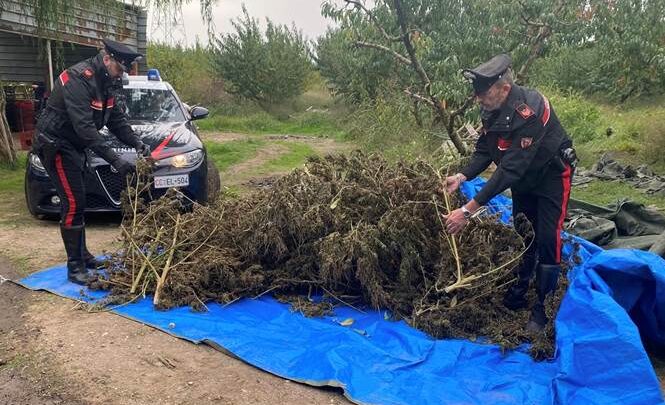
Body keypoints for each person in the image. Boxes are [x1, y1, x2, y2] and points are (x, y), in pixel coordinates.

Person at [442, 54, 576, 332]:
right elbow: (485, 150)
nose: (479, 100)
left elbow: (509, 169)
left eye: (485, 94)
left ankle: (543, 306)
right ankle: (520, 287)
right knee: (523, 231)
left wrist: (467, 210)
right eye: (478, 95)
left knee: (549, 237)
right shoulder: (491, 107)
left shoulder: (531, 111)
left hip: (551, 175)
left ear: (504, 89)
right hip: (524, 178)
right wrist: (462, 175)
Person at [32, 39, 151, 285]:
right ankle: (75, 268)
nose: (122, 74)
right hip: (56, 144)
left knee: (80, 198)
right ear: (107, 59)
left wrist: (137, 142)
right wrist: (116, 160)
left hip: (75, 146)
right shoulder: (78, 79)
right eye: (120, 68)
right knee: (73, 201)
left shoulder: (108, 79)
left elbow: (115, 119)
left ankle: (83, 256)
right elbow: (85, 128)